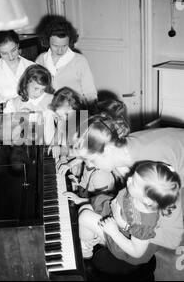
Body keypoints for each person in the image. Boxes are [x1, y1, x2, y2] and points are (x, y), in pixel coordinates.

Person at [60, 113, 184, 257]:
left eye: (91, 160)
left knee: (87, 218)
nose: (89, 165)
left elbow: (172, 238)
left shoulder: (153, 174)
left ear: (107, 150)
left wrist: (123, 225)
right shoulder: (122, 155)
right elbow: (125, 202)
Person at [77, 161, 181, 262]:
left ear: (146, 199)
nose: (129, 179)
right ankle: (93, 239)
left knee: (84, 216)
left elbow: (136, 252)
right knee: (84, 208)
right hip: (115, 218)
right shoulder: (137, 196)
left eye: (134, 182)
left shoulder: (143, 223)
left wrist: (113, 232)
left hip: (123, 244)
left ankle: (86, 253)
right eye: (133, 176)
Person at [35, 16, 97, 106]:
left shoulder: (80, 61)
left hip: (75, 110)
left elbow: (90, 92)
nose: (60, 50)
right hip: (49, 109)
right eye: (55, 46)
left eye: (64, 46)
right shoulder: (41, 59)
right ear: (47, 41)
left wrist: (91, 111)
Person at [0, 30, 34, 105]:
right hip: (7, 115)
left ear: (18, 45)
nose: (11, 57)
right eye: (4, 53)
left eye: (13, 50)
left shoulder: (33, 67)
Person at [44, 87, 87, 159]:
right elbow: (60, 128)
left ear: (75, 108)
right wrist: (55, 144)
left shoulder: (84, 122)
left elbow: (84, 153)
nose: (64, 119)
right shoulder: (64, 119)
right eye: (60, 116)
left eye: (66, 114)